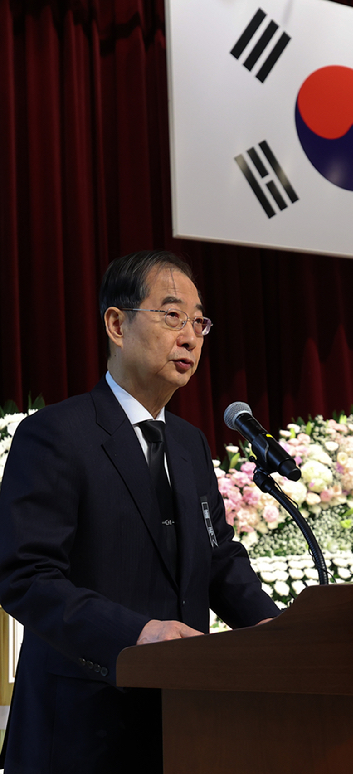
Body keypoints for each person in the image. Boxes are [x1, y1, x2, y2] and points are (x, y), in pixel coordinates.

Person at [0, 250, 279, 773]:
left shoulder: (190, 443)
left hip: (181, 717)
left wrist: (275, 629)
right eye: (172, 315)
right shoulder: (56, 435)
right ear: (116, 324)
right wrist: (135, 632)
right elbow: (26, 576)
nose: (191, 336)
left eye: (200, 322)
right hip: (83, 724)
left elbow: (217, 561)